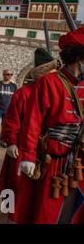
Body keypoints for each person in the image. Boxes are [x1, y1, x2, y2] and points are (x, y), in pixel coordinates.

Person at [17, 28, 84, 224]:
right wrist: (28, 155)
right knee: (46, 212)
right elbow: (33, 122)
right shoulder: (49, 82)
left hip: (79, 158)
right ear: (78, 56)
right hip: (54, 158)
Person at [0, 48, 58, 223]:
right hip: (20, 147)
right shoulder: (24, 93)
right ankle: (5, 214)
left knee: (32, 191)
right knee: (11, 184)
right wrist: (11, 142)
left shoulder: (57, 93)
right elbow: (12, 120)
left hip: (43, 150)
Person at [0, 70, 18, 147]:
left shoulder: (14, 86)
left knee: (5, 127)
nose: (9, 76)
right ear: (3, 74)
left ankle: (3, 142)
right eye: (7, 74)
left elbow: (15, 99)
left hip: (8, 110)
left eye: (11, 74)